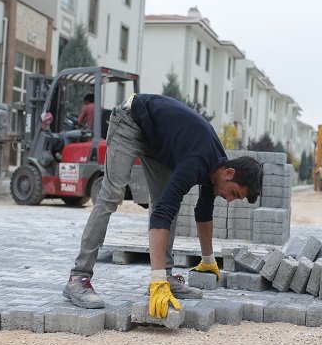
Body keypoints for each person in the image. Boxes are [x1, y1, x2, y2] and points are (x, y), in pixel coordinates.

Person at [64, 93, 263, 318]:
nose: (229, 200)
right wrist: (155, 281)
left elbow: (203, 213)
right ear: (229, 173)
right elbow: (161, 215)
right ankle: (78, 277)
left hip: (156, 138)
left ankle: (165, 276)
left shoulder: (215, 171)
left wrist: (207, 261)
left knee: (167, 201)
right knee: (111, 195)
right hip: (130, 120)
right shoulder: (197, 162)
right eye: (234, 194)